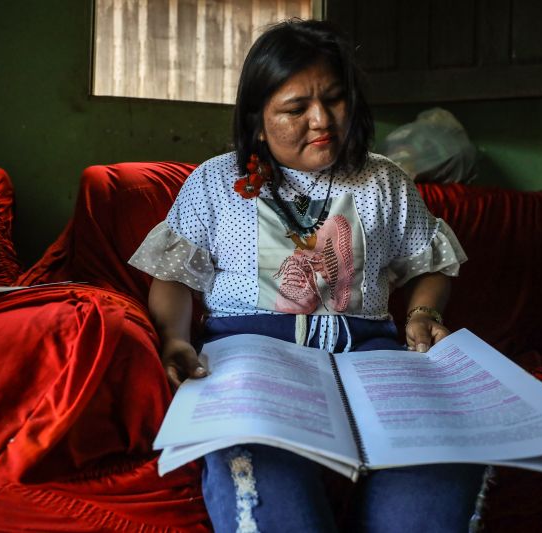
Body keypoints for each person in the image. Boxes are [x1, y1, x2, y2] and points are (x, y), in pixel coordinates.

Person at [130, 19, 483, 533]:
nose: (322, 121)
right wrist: (175, 340)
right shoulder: (214, 182)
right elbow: (175, 276)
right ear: (256, 121)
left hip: (368, 359)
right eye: (296, 109)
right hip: (253, 358)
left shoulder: (383, 180)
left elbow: (430, 265)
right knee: (264, 473)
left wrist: (425, 311)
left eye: (336, 100)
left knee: (438, 462)